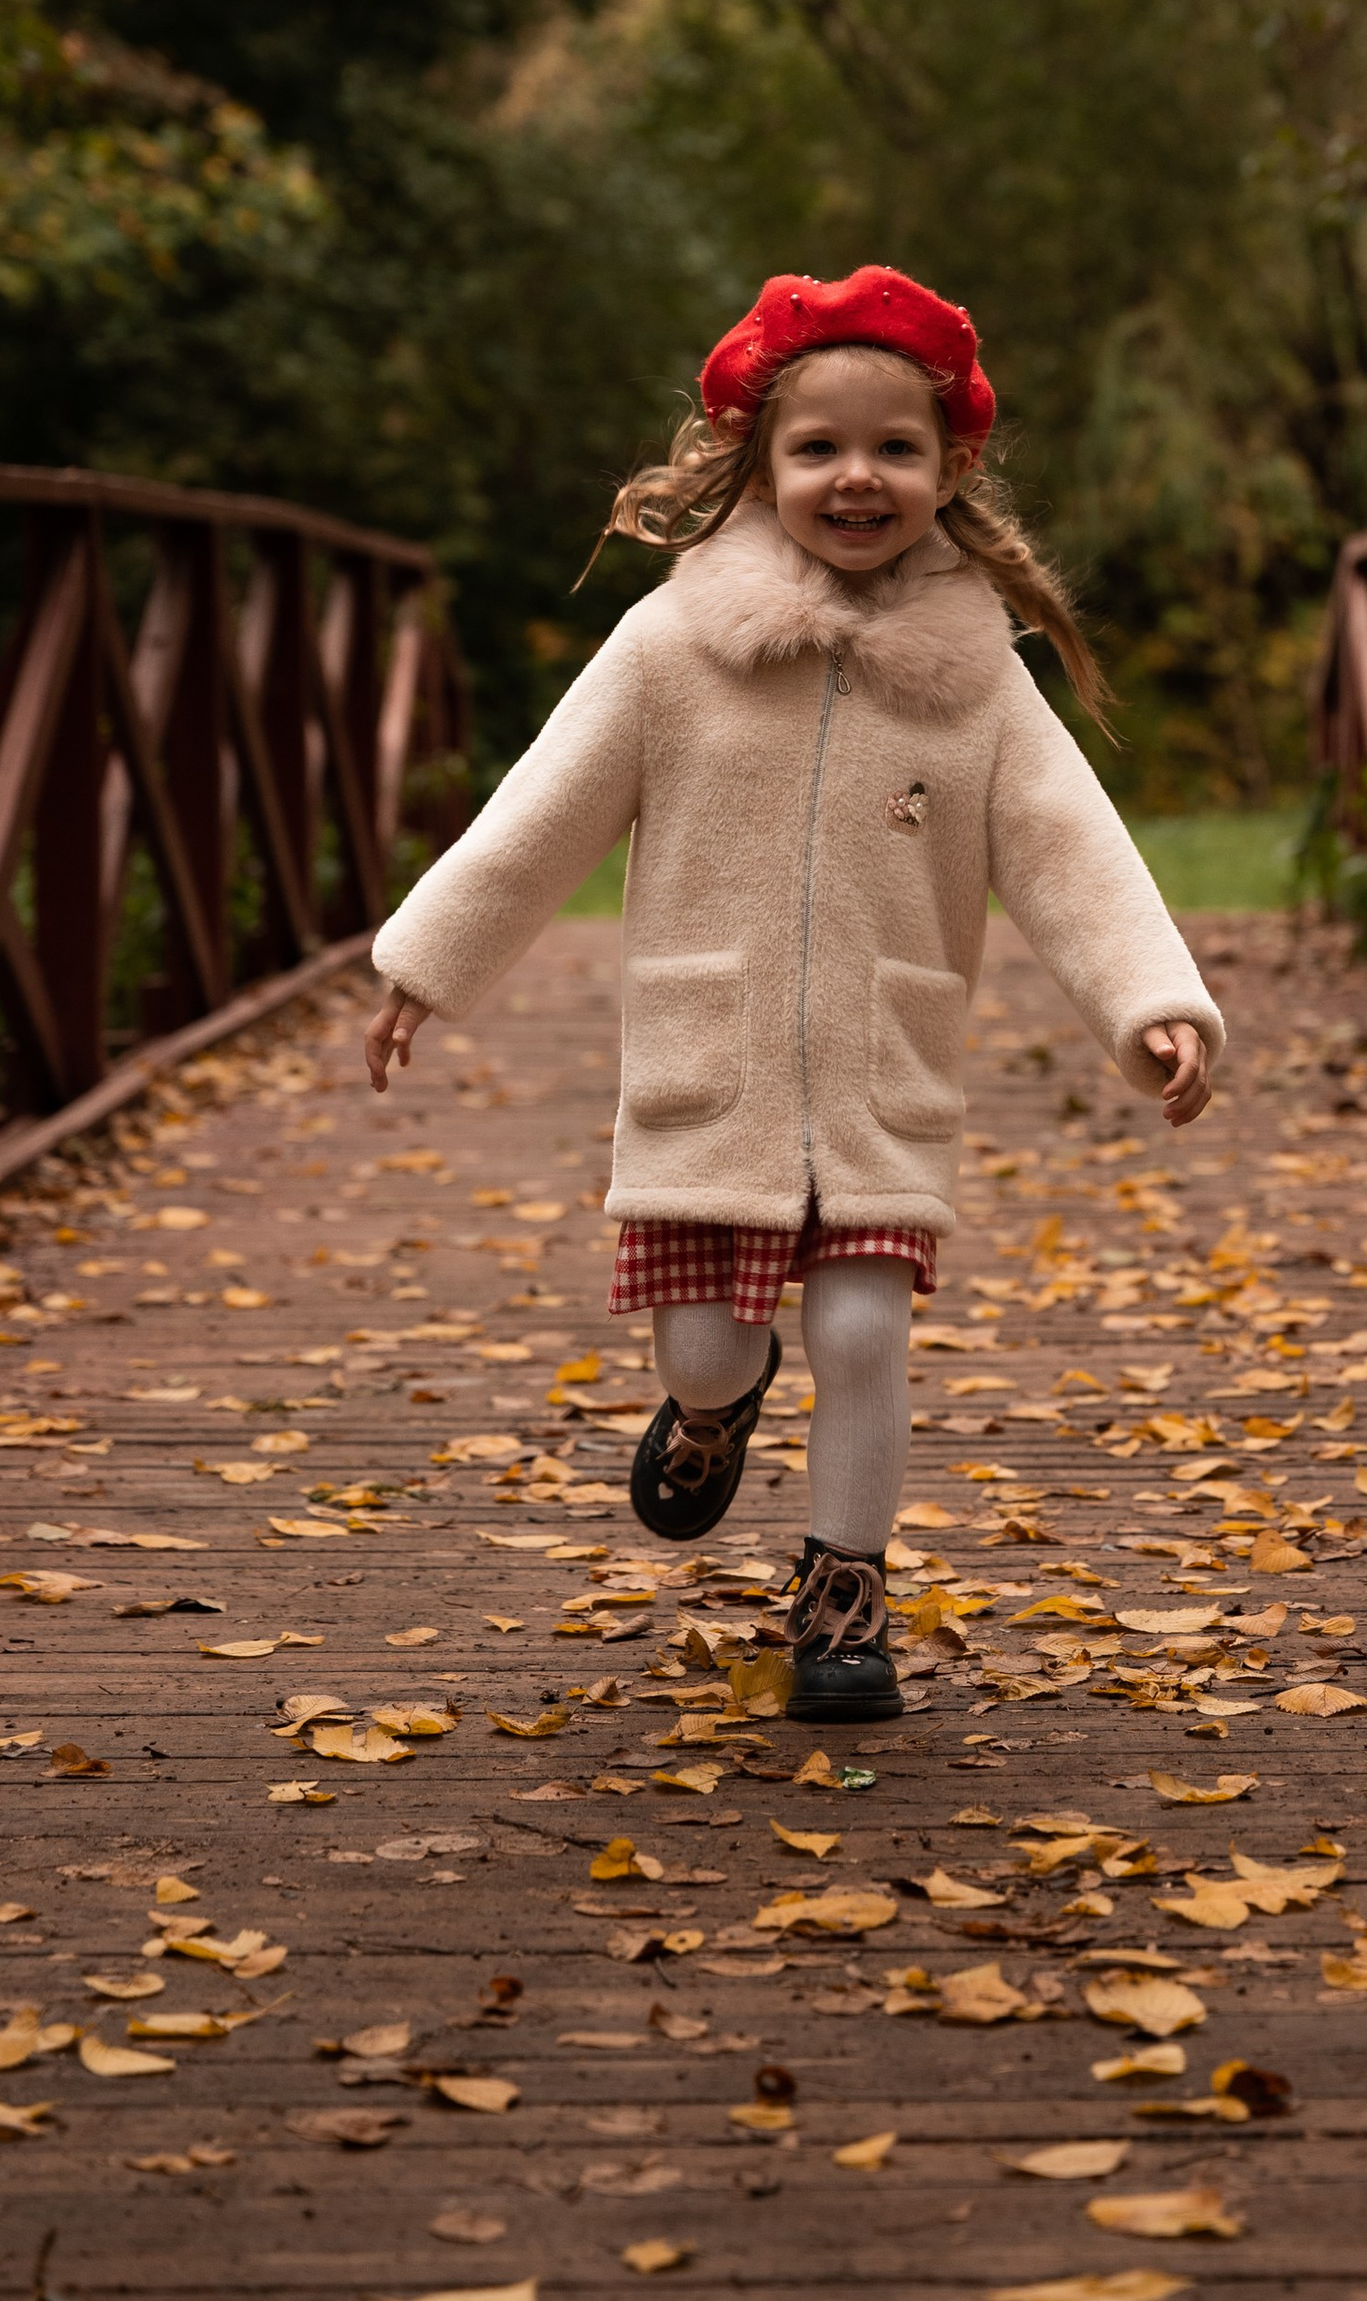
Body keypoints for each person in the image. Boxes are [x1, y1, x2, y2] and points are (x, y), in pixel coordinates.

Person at [362, 266, 1224, 1721]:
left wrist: (1154, 997)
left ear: (953, 470)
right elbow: (542, 813)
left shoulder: (980, 683)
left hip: (882, 1077)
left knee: (865, 1333)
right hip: (715, 1072)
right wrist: (425, 962)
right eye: (818, 447)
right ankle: (712, 1408)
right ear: (756, 466)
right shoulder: (672, 648)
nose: (857, 477)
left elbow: (1074, 849)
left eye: (896, 448)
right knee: (712, 1342)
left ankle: (844, 1596)